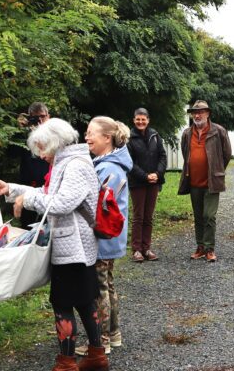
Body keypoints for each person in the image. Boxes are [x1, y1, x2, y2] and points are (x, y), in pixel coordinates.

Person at [0, 118, 108, 371]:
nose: (41, 155)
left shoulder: (74, 165)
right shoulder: (67, 162)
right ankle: (97, 356)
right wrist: (11, 189)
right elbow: (47, 194)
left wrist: (26, 198)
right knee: (86, 300)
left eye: (43, 148)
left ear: (56, 143)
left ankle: (67, 363)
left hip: (73, 247)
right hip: (75, 245)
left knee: (64, 303)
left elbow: (62, 203)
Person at [76, 116, 132, 356]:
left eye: (91, 133)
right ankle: (114, 334)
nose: (86, 137)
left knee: (99, 288)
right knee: (107, 285)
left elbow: (95, 204)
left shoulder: (107, 168)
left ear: (106, 138)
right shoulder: (107, 163)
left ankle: (102, 340)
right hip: (110, 237)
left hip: (103, 237)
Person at [178, 100, 232, 262]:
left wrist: (216, 170)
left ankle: (209, 248)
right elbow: (185, 152)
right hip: (194, 181)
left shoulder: (219, 131)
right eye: (195, 112)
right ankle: (200, 246)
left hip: (211, 181)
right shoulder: (187, 133)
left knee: (209, 215)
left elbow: (226, 154)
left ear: (208, 113)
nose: (197, 115)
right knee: (198, 216)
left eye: (201, 111)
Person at [126, 108, 167, 262]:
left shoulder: (155, 136)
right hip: (137, 182)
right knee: (138, 216)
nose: (141, 122)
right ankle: (136, 250)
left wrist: (158, 173)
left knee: (148, 217)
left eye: (143, 119)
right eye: (138, 119)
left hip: (154, 182)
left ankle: (147, 248)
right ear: (134, 120)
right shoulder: (129, 138)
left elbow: (162, 156)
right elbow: (129, 162)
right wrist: (145, 176)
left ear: (148, 120)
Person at [14, 102, 51, 226]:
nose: (39, 121)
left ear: (48, 116)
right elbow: (12, 152)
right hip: (28, 185)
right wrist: (20, 130)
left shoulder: (56, 134)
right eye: (35, 118)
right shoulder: (24, 135)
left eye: (42, 117)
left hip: (49, 185)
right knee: (28, 226)